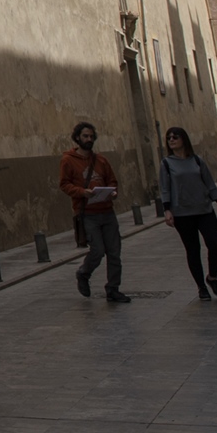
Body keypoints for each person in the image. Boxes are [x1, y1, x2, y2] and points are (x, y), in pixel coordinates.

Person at [59, 121, 130, 303]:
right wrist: (82, 192)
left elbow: (112, 180)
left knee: (114, 252)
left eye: (91, 136)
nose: (89, 139)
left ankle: (113, 289)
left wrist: (112, 192)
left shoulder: (101, 161)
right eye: (85, 136)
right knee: (97, 250)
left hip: (107, 211)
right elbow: (65, 184)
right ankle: (84, 273)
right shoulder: (68, 160)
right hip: (87, 213)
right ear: (77, 138)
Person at [159, 126, 217, 300]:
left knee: (215, 244)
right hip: (182, 213)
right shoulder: (167, 163)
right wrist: (167, 210)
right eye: (169, 138)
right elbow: (165, 189)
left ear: (184, 139)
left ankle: (212, 276)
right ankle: (201, 287)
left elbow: (210, 184)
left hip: (204, 209)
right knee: (192, 250)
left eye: (175, 137)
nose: (172, 140)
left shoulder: (197, 161)